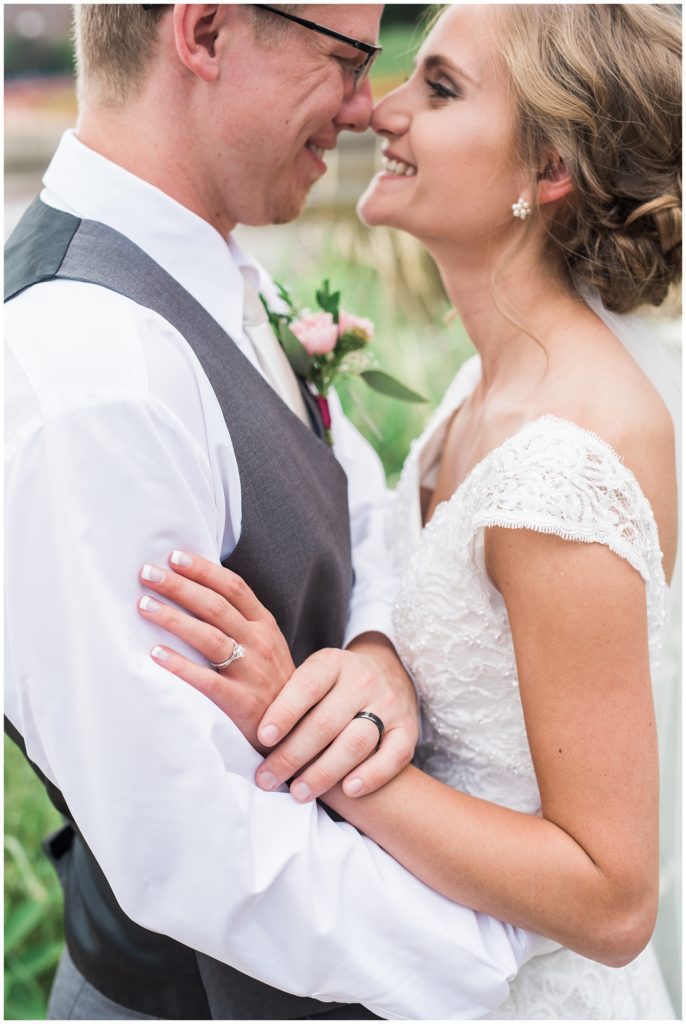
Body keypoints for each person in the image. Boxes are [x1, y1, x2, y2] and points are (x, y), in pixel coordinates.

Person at [4, 4, 559, 1021]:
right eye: (345, 59)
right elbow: (200, 845)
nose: (364, 107)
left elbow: (352, 511)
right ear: (206, 33)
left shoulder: (205, 265)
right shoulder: (94, 380)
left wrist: (380, 651)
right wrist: (500, 958)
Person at [143, 4, 681, 1019]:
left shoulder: (558, 464)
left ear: (548, 170)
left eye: (436, 89)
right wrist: (380, 655)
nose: (376, 111)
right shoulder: (478, 393)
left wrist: (312, 748)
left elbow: (611, 899)